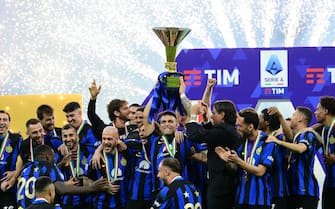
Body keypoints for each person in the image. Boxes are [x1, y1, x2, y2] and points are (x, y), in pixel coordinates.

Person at [185, 78, 240, 209]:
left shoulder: (223, 132)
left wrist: (192, 115)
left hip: (221, 187)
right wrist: (209, 88)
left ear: (222, 115)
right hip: (220, 184)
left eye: (214, 114)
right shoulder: (226, 129)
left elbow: (195, 135)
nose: (211, 116)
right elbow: (206, 109)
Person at [215, 108, 275, 209]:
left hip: (260, 201)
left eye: (240, 126)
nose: (237, 129)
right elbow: (235, 168)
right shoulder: (240, 143)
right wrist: (228, 159)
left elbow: (260, 171)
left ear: (250, 127)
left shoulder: (267, 142)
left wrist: (238, 160)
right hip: (241, 200)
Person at [17, 144, 107, 209]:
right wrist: (92, 188)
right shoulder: (49, 166)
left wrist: (61, 164)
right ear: (48, 156)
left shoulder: (25, 168)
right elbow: (61, 189)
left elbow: (43, 173)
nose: (55, 159)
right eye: (53, 156)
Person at [266, 106, 321, 209]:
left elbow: (301, 148)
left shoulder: (307, 134)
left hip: (306, 191)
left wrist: (278, 141)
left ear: (300, 118)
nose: (291, 117)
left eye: (294, 115)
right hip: (292, 191)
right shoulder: (297, 137)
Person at [258, 107, 292, 209]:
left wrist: (280, 116)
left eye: (260, 118)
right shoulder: (259, 140)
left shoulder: (278, 137)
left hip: (278, 192)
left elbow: (289, 137)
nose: (258, 121)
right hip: (262, 192)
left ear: (267, 122)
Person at [87, 126, 128, 209]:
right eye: (104, 139)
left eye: (109, 139)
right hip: (101, 205)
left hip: (123, 205)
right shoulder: (95, 157)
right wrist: (100, 186)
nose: (106, 142)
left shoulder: (126, 154)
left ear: (117, 139)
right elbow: (86, 179)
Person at [58, 124, 96, 209]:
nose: (68, 139)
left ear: (77, 136)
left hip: (87, 201)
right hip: (68, 202)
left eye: (71, 135)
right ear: (61, 138)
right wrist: (62, 162)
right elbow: (53, 174)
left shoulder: (89, 150)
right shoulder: (59, 154)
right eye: (65, 136)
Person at [314, 96, 335, 209]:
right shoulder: (326, 130)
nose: (315, 112)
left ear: (326, 111)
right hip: (330, 182)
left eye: (318, 109)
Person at [0, 110, 23, 209]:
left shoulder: (16, 139)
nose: (1, 122)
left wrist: (14, 173)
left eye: (5, 120)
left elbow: (25, 160)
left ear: (9, 122)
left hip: (9, 188)